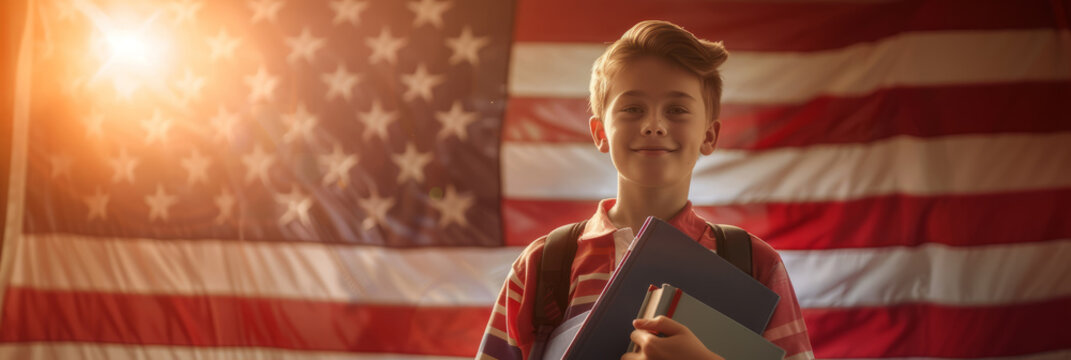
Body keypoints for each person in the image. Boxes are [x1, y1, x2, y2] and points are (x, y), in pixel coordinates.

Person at [476, 20, 814, 360]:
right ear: (600, 133)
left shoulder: (754, 265)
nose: (654, 125)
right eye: (632, 109)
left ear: (709, 136)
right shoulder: (543, 264)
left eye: (677, 110)